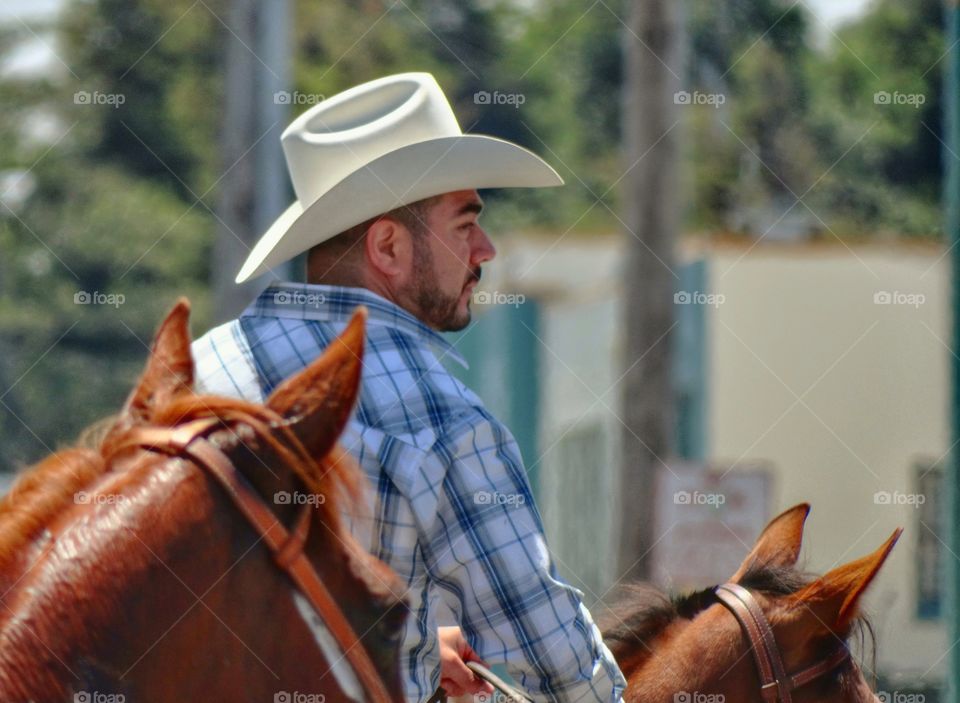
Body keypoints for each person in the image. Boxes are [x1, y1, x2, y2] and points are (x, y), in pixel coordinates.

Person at [192, 72, 626, 702]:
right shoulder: (440, 415)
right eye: (464, 225)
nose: (487, 249)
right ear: (388, 247)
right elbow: (557, 666)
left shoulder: (201, 367)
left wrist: (408, 649)